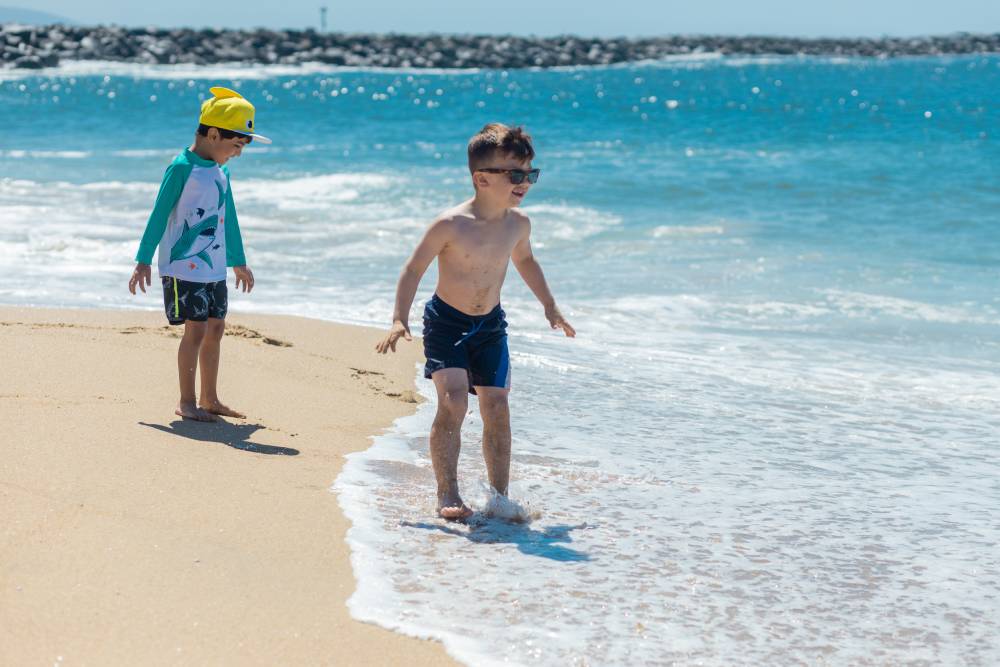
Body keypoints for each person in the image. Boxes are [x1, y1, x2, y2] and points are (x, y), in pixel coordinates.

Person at [376, 122, 576, 520]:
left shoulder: (519, 224)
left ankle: (499, 497)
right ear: (482, 178)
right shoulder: (450, 224)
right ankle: (447, 492)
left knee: (497, 406)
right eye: (515, 174)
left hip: (490, 325)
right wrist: (399, 318)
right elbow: (413, 269)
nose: (525, 183)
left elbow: (526, 262)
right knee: (452, 402)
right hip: (446, 322)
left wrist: (550, 306)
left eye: (530, 174)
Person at [128, 87, 270, 422]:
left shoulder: (222, 171)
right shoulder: (181, 169)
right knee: (194, 330)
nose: (238, 153)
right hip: (183, 268)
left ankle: (210, 398)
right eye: (236, 145)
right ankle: (186, 401)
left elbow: (228, 216)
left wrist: (238, 260)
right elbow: (159, 214)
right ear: (214, 134)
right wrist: (143, 260)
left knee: (216, 328)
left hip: (214, 267)